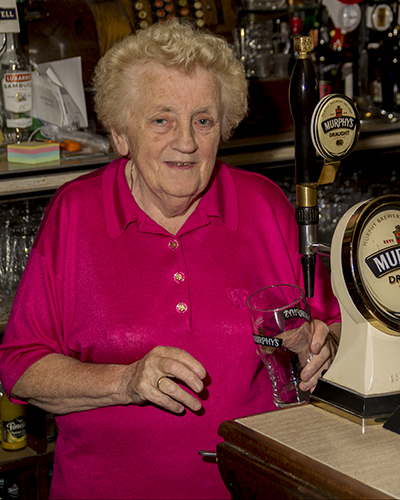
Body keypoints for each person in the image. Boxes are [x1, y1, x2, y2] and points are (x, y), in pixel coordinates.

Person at [0, 19, 341, 500]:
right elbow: (21, 367)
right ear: (120, 134)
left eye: (203, 120)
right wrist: (126, 381)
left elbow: (335, 325)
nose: (186, 142)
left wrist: (321, 347)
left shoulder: (265, 205)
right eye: (161, 120)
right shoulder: (76, 213)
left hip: (254, 489)